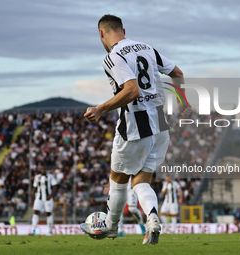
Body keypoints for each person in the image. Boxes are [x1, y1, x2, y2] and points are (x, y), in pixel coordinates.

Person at [80, 14, 190, 244]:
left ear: (101, 33)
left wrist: (100, 109)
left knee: (117, 180)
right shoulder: (147, 48)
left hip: (135, 127)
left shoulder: (112, 56)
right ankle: (152, 220)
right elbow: (178, 74)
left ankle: (110, 226)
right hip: (160, 125)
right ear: (123, 29)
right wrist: (184, 104)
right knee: (141, 181)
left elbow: (132, 91)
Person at [29, 166, 57, 236]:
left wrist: (50, 195)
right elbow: (34, 188)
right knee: (35, 212)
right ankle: (33, 230)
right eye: (42, 169)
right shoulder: (37, 177)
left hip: (48, 198)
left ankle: (50, 231)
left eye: (44, 169)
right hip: (39, 198)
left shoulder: (50, 177)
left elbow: (55, 186)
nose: (43, 170)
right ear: (40, 170)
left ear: (46, 169)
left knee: (48, 213)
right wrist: (31, 199)